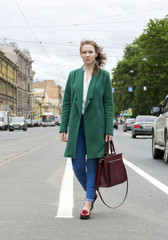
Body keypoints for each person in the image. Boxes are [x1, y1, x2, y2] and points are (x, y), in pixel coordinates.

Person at [60, 40, 113, 219]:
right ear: (81, 54)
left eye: (91, 52)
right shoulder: (73, 75)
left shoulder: (103, 76)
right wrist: (63, 126)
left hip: (96, 127)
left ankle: (88, 201)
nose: (87, 55)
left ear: (96, 54)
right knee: (77, 166)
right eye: (84, 52)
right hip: (77, 126)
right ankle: (92, 191)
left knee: (92, 165)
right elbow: (66, 102)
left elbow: (108, 105)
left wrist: (109, 130)